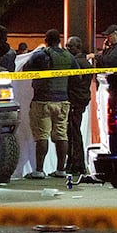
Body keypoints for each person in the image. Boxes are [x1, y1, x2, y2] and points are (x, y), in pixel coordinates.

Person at [22, 29, 79, 179]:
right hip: (62, 101)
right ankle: (61, 169)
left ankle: (39, 170)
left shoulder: (41, 55)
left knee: (42, 135)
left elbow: (26, 69)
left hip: (42, 101)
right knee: (61, 135)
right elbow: (77, 76)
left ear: (46, 40)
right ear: (59, 41)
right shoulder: (69, 56)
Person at [65, 36, 93, 177]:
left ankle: (77, 164)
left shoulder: (76, 63)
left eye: (69, 46)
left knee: (73, 132)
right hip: (81, 101)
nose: (67, 49)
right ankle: (76, 163)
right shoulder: (85, 62)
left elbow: (75, 84)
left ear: (76, 47)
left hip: (75, 101)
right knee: (74, 131)